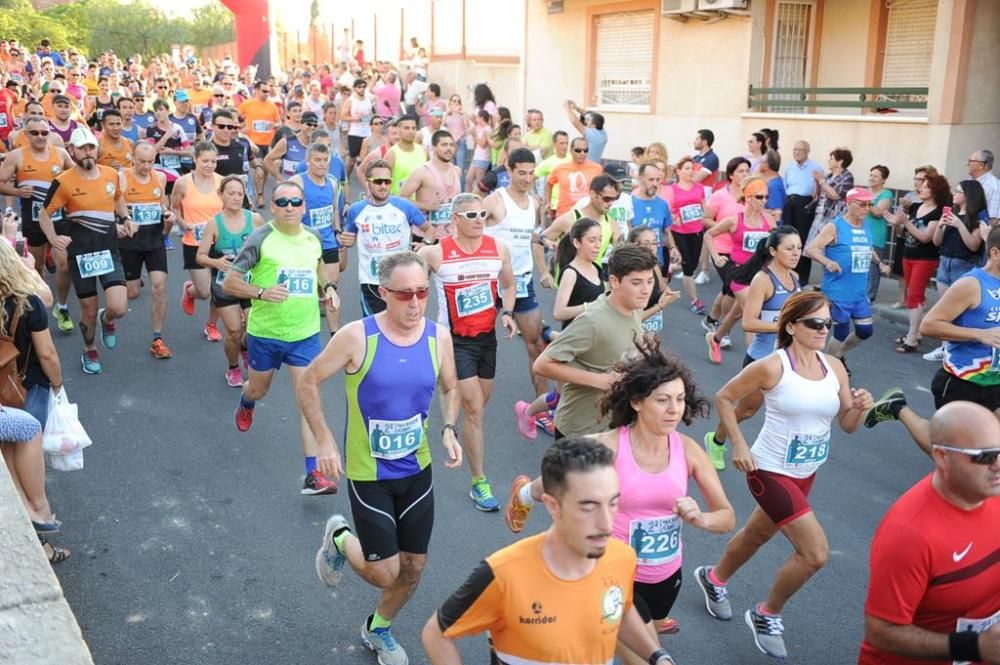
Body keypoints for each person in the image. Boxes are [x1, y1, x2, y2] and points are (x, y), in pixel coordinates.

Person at [506, 339, 734, 652]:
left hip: (665, 574)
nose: (674, 409)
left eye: (680, 399)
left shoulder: (689, 450)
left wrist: (702, 518)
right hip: (610, 572)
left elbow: (726, 516)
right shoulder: (609, 446)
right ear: (638, 402)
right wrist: (527, 496)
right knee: (646, 655)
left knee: (625, 640)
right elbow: (556, 474)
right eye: (663, 400)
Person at [693, 291, 874, 660]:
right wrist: (739, 445)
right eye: (815, 323)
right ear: (791, 326)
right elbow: (725, 398)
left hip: (806, 471)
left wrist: (860, 408)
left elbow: (848, 425)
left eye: (828, 322)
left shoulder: (834, 367)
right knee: (815, 554)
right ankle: (766, 613)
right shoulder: (773, 366)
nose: (825, 329)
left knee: (757, 534)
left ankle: (713, 579)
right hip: (769, 470)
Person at [303, 251, 463, 665]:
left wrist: (448, 428)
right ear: (382, 293)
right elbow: (308, 381)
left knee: (414, 566)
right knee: (384, 572)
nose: (414, 302)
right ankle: (340, 539)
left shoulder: (437, 336)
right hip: (368, 472)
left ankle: (377, 629)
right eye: (404, 293)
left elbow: (450, 387)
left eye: (422, 292)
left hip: (417, 468)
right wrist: (324, 440)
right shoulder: (358, 337)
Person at [423, 438, 678, 665]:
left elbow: (619, 608)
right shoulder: (503, 574)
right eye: (588, 507)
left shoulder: (621, 558)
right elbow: (436, 633)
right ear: (552, 506)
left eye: (612, 504)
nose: (606, 523)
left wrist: (657, 656)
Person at [859, 401, 1000, 665]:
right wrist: (973, 646)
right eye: (983, 456)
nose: (998, 465)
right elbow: (880, 632)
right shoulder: (909, 534)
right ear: (941, 456)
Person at [222, 181, 338, 495]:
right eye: (282, 201)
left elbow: (319, 269)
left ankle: (314, 474)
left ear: (303, 207)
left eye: (295, 202)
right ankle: (246, 401)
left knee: (307, 401)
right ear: (272, 207)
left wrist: (327, 289)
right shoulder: (261, 238)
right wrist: (260, 292)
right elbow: (229, 283)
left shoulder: (313, 237)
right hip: (266, 334)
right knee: (259, 389)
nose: (289, 207)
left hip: (304, 334)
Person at [418, 193, 517, 512]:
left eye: (483, 215)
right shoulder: (435, 253)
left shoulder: (498, 249)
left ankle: (450, 409)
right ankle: (479, 482)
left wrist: (508, 312)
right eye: (471, 215)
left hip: (486, 338)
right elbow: (411, 287)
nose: (478, 220)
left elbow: (509, 285)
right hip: (452, 340)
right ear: (455, 220)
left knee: (479, 405)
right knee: (474, 408)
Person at [864, 226, 1000, 456]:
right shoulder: (971, 285)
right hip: (963, 381)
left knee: (990, 450)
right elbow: (929, 326)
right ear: (996, 253)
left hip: (995, 380)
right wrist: (979, 334)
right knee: (952, 454)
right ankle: (897, 408)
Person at [534, 244, 659, 438]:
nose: (646, 290)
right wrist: (600, 380)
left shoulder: (634, 307)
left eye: (650, 281)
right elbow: (542, 365)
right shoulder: (593, 321)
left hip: (615, 427)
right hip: (582, 431)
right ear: (614, 281)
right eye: (636, 282)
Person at [704, 227, 802, 470]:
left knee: (792, 409)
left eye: (798, 248)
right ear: (773, 251)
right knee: (746, 411)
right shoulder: (763, 280)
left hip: (788, 359)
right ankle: (716, 441)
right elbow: (749, 322)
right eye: (789, 248)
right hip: (761, 359)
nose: (796, 253)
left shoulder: (795, 278)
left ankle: (780, 457)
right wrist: (784, 327)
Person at [39, 127, 133, 375]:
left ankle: (108, 320)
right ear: (72, 150)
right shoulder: (63, 181)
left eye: (91, 147)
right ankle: (89, 349)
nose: (87, 152)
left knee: (119, 307)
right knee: (88, 309)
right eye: (82, 148)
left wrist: (125, 218)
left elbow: (118, 199)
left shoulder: (111, 175)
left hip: (108, 251)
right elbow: (44, 214)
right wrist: (53, 237)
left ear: (96, 148)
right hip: (81, 255)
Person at [482, 147, 548, 397]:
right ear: (508, 170)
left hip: (522, 280)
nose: (527, 179)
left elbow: (528, 237)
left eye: (531, 174)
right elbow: (470, 226)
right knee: (476, 344)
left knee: (537, 343)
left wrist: (542, 265)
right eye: (521, 173)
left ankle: (542, 405)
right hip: (491, 282)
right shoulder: (495, 200)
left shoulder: (534, 202)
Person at [0, 115, 75, 332]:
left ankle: (61, 306)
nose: (40, 136)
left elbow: (77, 176)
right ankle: (39, 308)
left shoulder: (60, 154)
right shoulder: (16, 156)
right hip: (33, 221)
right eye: (35, 133)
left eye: (44, 132)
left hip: (58, 219)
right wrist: (16, 191)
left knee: (64, 264)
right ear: (26, 134)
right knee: (37, 266)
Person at [805, 188, 883, 372]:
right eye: (862, 204)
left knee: (865, 331)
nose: (867, 209)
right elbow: (811, 248)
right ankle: (828, 368)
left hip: (858, 292)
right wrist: (827, 261)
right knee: (841, 331)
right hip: (837, 292)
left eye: (869, 205)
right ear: (849, 204)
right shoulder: (835, 226)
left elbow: (867, 247)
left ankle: (837, 356)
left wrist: (880, 263)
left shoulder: (866, 225)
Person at [196, 176, 264, 387]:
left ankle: (245, 348)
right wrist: (216, 262)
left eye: (239, 193)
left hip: (249, 282)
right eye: (231, 193)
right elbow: (200, 256)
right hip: (224, 284)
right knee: (234, 331)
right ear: (221, 195)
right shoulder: (213, 224)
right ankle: (233, 368)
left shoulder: (255, 220)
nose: (235, 197)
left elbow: (268, 248)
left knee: (254, 329)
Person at [340, 160, 429, 316]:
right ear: (368, 183)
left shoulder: (404, 206)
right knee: (374, 329)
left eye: (387, 181)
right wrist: (347, 241)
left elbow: (429, 230)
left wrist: (425, 244)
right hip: (371, 281)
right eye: (378, 181)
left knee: (402, 325)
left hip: (402, 279)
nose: (383, 186)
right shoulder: (356, 210)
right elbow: (350, 237)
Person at [704, 176, 775, 364]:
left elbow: (776, 245)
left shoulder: (769, 220)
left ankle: (716, 338)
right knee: (753, 317)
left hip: (760, 274)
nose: (764, 201)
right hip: (740, 274)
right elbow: (709, 235)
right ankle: (754, 364)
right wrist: (717, 256)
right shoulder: (735, 220)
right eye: (760, 197)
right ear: (749, 197)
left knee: (736, 314)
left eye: (767, 197)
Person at [116, 142, 175, 359]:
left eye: (151, 161)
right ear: (132, 158)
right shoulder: (122, 177)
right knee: (131, 293)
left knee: (159, 287)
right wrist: (123, 220)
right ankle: (109, 314)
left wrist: (168, 214)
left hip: (154, 241)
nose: (146, 166)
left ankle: (157, 338)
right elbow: (114, 204)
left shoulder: (158, 177)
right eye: (142, 161)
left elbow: (161, 204)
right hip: (130, 243)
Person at [924, 179, 987, 362]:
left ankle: (956, 348)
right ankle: (944, 349)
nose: (955, 194)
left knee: (961, 311)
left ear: (968, 196)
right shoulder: (950, 212)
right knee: (945, 309)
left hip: (964, 265)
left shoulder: (977, 217)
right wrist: (941, 225)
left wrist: (959, 225)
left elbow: (974, 245)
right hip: (945, 263)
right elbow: (936, 242)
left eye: (958, 191)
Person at [886, 173, 948, 354]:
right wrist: (897, 223)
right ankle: (914, 333)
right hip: (908, 254)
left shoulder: (938, 211)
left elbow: (926, 237)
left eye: (926, 186)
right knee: (916, 296)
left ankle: (912, 338)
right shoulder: (915, 207)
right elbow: (904, 232)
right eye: (921, 185)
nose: (921, 188)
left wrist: (905, 222)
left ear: (936, 190)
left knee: (913, 294)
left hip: (925, 258)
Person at [170, 142, 224, 342]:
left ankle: (211, 325)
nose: (210, 165)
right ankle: (190, 291)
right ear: (195, 160)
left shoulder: (222, 182)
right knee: (204, 291)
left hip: (219, 243)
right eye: (205, 161)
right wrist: (183, 224)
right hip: (194, 242)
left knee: (219, 288)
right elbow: (173, 208)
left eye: (213, 161)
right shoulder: (183, 183)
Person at [288, 142, 343, 336]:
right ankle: (302, 330)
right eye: (317, 160)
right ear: (308, 161)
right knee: (306, 290)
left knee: (331, 287)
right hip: (304, 244)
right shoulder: (298, 182)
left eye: (325, 160)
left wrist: (337, 230)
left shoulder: (332, 183)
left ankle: (334, 334)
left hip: (328, 242)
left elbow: (334, 210)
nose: (322, 164)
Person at [663, 156, 712, 314]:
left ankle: (670, 268)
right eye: (687, 168)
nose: (691, 171)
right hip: (680, 232)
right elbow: (668, 211)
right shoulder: (672, 190)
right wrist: (673, 218)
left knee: (692, 264)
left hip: (696, 231)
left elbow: (704, 208)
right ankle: (695, 301)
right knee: (688, 268)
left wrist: (707, 219)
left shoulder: (699, 188)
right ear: (678, 171)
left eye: (692, 168)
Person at [544, 174, 621, 272]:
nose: (610, 203)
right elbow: (539, 239)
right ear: (593, 194)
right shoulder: (571, 218)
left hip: (594, 280)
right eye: (606, 199)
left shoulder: (611, 223)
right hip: (568, 281)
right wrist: (544, 271)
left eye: (613, 199)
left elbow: (621, 253)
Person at [399, 129, 461, 238]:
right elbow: (401, 199)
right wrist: (426, 206)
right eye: (444, 145)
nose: (449, 148)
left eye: (452, 145)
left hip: (451, 236)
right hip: (425, 236)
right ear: (434, 147)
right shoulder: (422, 172)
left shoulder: (457, 171)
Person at [782, 141, 823, 284]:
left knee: (803, 240)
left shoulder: (816, 168)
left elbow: (818, 191)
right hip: (790, 203)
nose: (797, 152)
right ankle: (786, 273)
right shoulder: (789, 167)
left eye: (800, 150)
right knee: (787, 237)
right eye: (795, 149)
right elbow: (785, 186)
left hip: (805, 205)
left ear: (807, 151)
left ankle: (802, 278)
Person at [545, 137, 603, 218]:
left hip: (587, 216)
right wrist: (548, 203)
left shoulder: (597, 169)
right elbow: (549, 184)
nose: (582, 153)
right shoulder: (560, 168)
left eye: (585, 150)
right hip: (564, 215)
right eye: (578, 150)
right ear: (571, 151)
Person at [808, 147, 855, 245]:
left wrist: (821, 180)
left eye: (831, 159)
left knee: (825, 247)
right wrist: (817, 182)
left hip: (833, 218)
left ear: (840, 162)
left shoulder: (847, 177)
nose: (828, 161)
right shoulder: (828, 177)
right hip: (820, 216)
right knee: (814, 247)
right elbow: (815, 196)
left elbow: (835, 195)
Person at [864, 165, 894, 304]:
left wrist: (865, 202)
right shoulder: (865, 192)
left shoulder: (886, 194)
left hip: (876, 234)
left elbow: (877, 212)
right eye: (871, 174)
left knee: (872, 267)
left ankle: (870, 296)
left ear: (883, 180)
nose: (871, 178)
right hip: (861, 232)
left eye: (875, 176)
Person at [342, 78, 373, 180]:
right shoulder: (351, 101)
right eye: (359, 87)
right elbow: (343, 116)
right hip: (355, 133)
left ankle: (369, 183)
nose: (362, 89)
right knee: (352, 160)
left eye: (364, 87)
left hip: (367, 133)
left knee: (368, 159)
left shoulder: (368, 99)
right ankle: (346, 179)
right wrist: (354, 118)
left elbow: (371, 113)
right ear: (354, 88)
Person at [967, 148, 999, 223]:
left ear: (981, 165)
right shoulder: (968, 180)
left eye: (970, 161)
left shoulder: (995, 187)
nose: (967, 164)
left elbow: (992, 220)